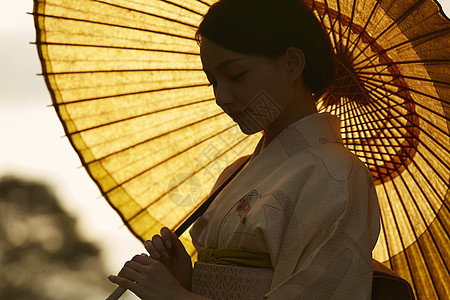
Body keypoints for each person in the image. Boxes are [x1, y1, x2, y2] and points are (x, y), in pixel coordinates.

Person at [107, 0, 380, 299]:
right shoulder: (236, 171)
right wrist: (186, 279)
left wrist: (176, 297)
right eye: (212, 81)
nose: (221, 97)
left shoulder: (337, 174)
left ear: (292, 63)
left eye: (236, 75)